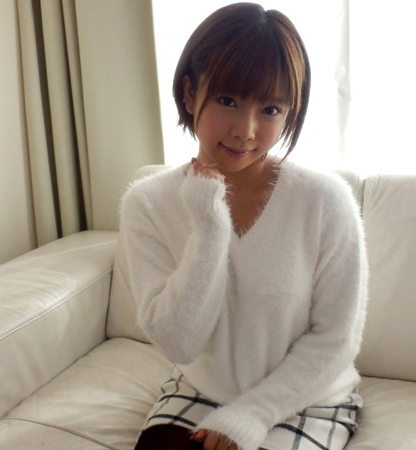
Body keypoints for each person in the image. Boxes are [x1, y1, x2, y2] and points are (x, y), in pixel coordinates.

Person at [120, 3, 367, 449]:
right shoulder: (148, 204)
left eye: (270, 109)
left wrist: (251, 415)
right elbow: (179, 343)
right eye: (228, 101)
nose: (246, 131)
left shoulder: (325, 201)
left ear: (290, 114)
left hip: (306, 398)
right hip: (199, 391)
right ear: (191, 93)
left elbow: (336, 339)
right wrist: (210, 227)